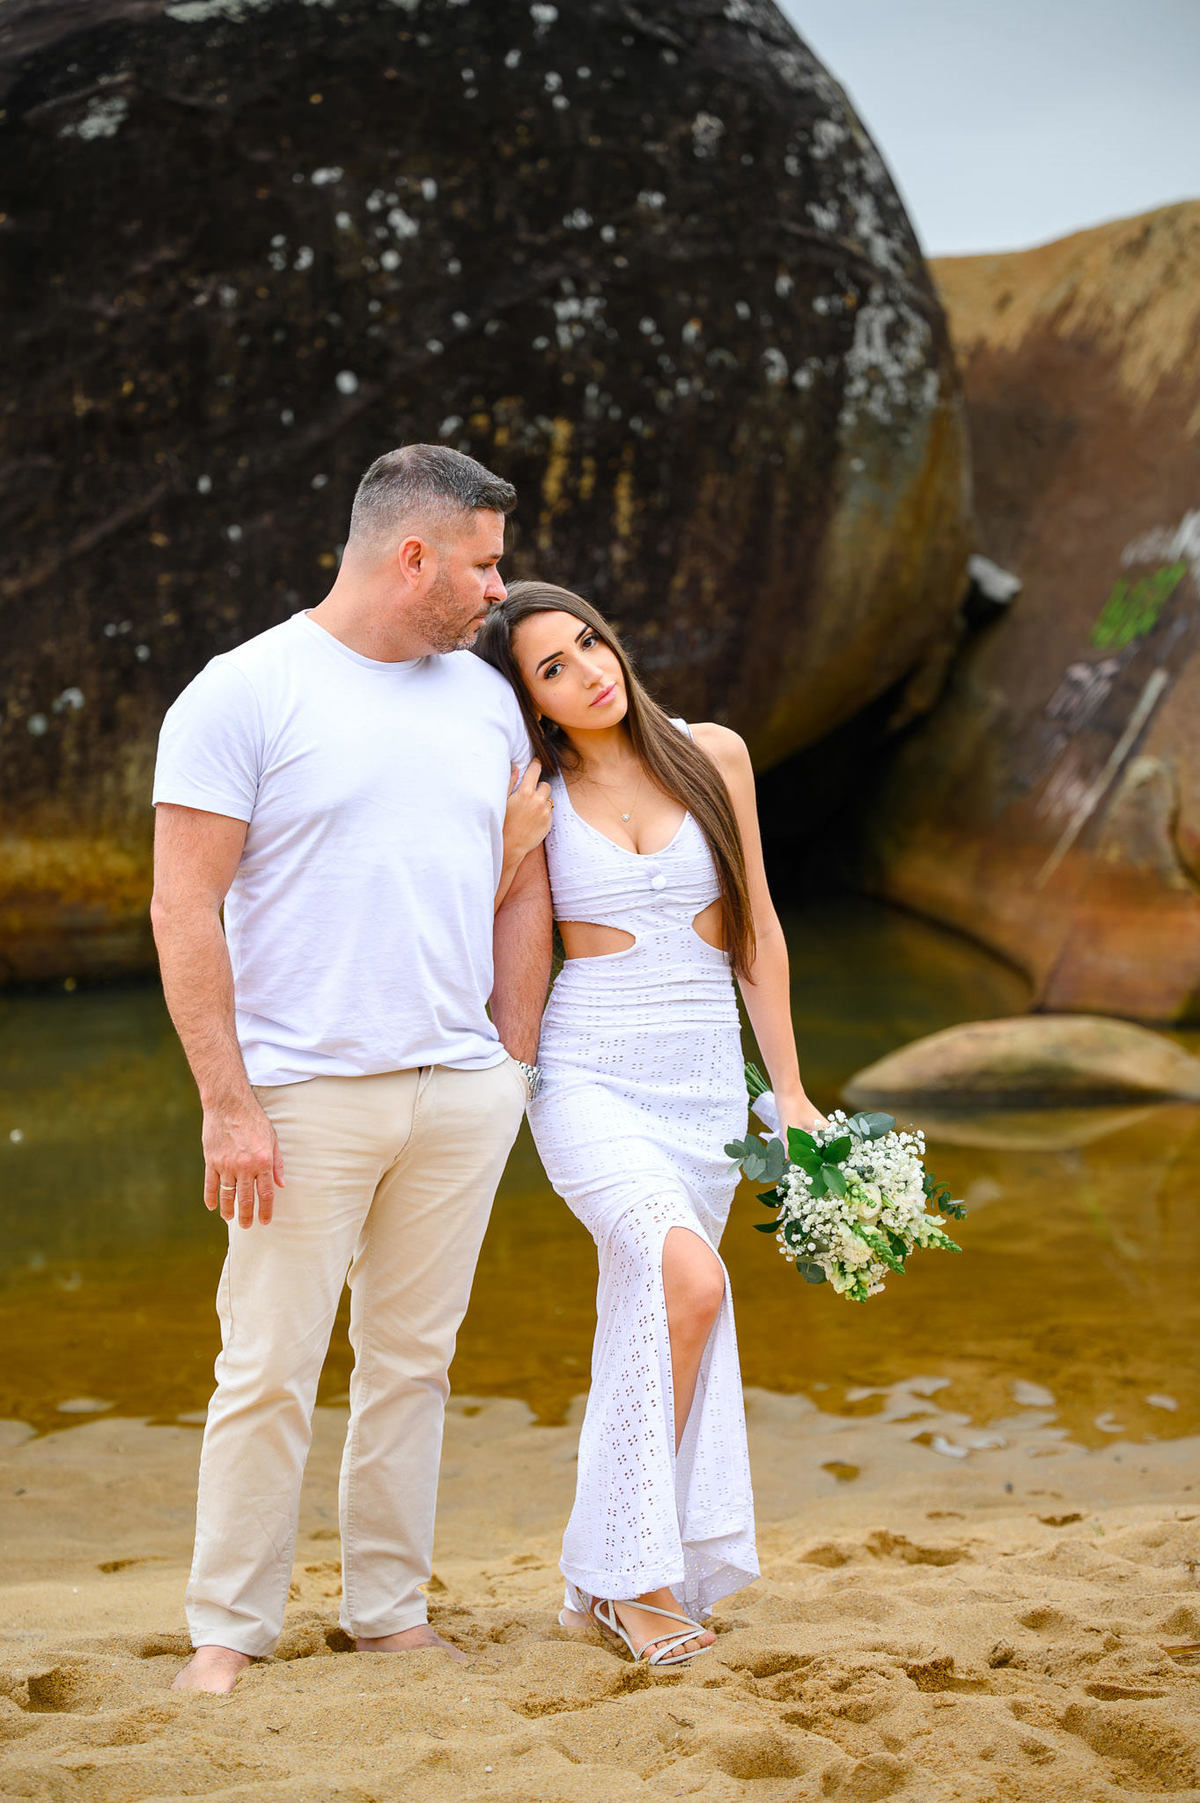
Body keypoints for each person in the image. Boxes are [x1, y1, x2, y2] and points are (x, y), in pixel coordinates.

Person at [151, 446, 552, 1693]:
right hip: (299, 1098)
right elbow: (183, 907)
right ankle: (229, 1630)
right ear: (413, 556)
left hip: (459, 1087)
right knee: (266, 1368)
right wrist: (228, 1105)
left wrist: (514, 1065)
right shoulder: (243, 694)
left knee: (413, 1363)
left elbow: (514, 884)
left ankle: (388, 1610)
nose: (501, 589)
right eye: (483, 564)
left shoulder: (482, 700)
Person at [474, 581, 825, 1668]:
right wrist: (506, 846)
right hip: (586, 1077)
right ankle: (639, 1578)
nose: (588, 670)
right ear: (532, 703)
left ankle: (605, 1578)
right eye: (553, 668)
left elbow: (756, 931)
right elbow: (484, 935)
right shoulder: (531, 791)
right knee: (693, 1285)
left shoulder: (712, 754)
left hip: (705, 1085)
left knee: (657, 1307)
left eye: (588, 643)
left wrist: (795, 1094)